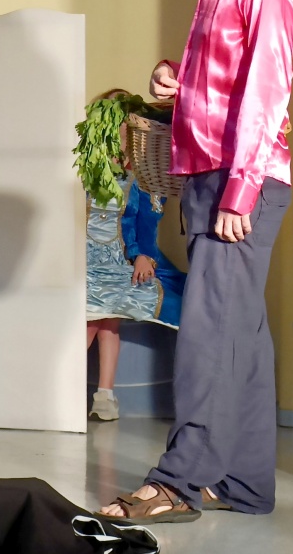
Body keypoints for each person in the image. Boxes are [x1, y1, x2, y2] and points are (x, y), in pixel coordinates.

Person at [98, 0, 293, 523]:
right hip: (208, 175)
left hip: (236, 183)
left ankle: (178, 483)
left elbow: (266, 95)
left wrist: (239, 193)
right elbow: (224, 86)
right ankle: (243, 482)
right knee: (241, 334)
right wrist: (176, 80)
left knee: (209, 333)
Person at [86, 90, 185, 421]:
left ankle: (105, 395)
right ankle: (68, 391)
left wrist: (144, 255)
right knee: (92, 317)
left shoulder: (142, 174)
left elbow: (147, 221)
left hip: (117, 259)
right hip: (82, 260)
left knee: (108, 316)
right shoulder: (83, 167)